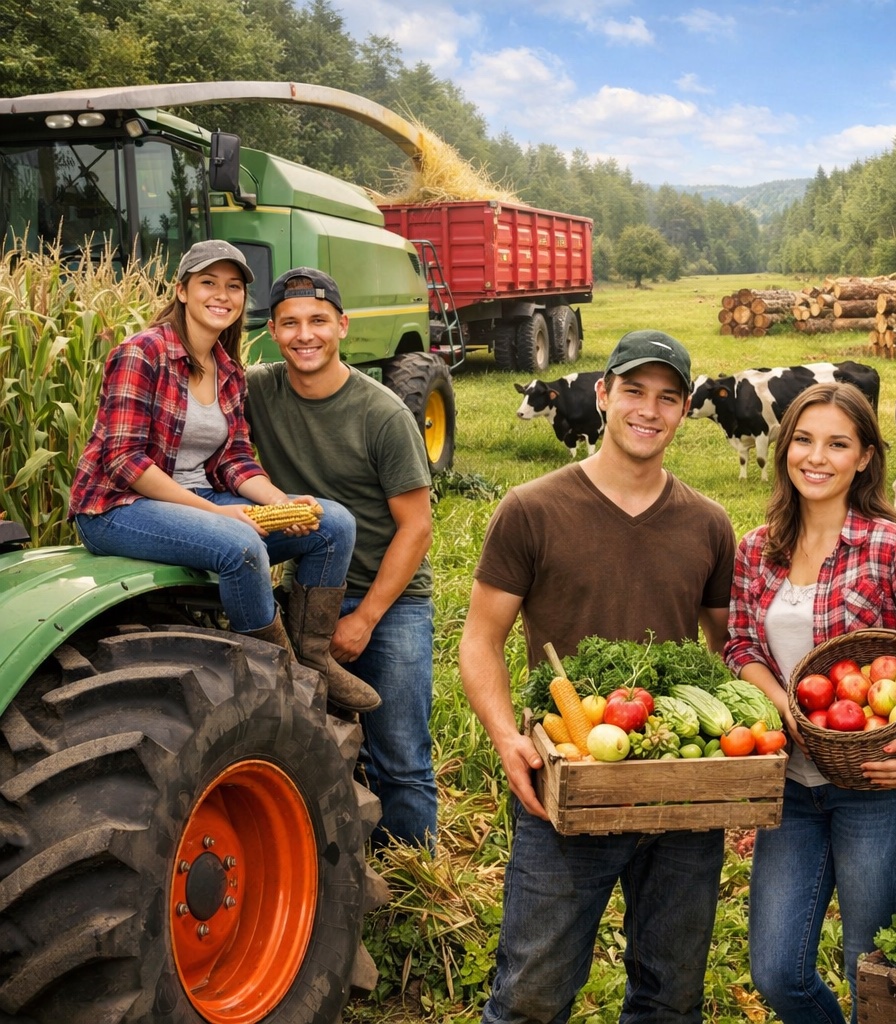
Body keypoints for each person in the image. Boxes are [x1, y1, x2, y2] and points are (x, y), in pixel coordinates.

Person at [460, 330, 736, 1024]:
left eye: (668, 398)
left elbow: (734, 649)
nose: (650, 410)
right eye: (635, 392)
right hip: (567, 781)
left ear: (683, 411)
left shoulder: (708, 524)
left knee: (671, 1001)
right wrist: (505, 739)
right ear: (603, 395)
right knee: (531, 997)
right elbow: (480, 642)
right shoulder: (531, 508)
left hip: (676, 785)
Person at [724, 382, 896, 1024]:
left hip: (880, 785)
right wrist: (778, 699)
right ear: (785, 447)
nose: (817, 457)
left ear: (865, 457)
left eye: (838, 443)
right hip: (789, 786)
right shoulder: (758, 549)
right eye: (805, 440)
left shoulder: (890, 546)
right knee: (776, 971)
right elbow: (739, 646)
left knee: (872, 971)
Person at [68, 241, 370, 704]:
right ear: (183, 291)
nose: (222, 295)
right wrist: (216, 514)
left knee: (332, 524)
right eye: (209, 282)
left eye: (233, 286)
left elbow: (232, 460)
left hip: (196, 500)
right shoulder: (142, 352)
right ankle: (277, 679)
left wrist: (279, 502)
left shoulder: (226, 369)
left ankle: (311, 658)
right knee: (240, 544)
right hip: (117, 508)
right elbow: (124, 461)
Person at [246, 268, 436, 844]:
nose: (306, 335)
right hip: (308, 591)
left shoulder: (383, 415)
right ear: (273, 332)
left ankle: (414, 882)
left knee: (399, 754)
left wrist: (365, 618)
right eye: (291, 323)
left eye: (319, 322)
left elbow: (417, 528)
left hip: (388, 598)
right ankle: (344, 866)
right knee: (318, 746)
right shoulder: (258, 390)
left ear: (342, 327)